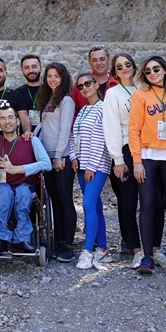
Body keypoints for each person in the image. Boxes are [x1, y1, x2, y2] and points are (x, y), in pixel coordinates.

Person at [129, 56, 166, 274]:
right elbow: (133, 130)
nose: (152, 73)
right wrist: (137, 161)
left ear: (164, 70)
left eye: (156, 69)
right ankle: (147, 257)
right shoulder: (140, 95)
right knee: (147, 205)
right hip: (148, 156)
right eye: (147, 71)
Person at [0, 105, 52, 256]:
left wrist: (17, 169)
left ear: (17, 121)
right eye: (2, 118)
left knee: (22, 192)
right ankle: (1, 237)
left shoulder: (30, 141)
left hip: (25, 186)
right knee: (4, 191)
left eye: (10, 118)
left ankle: (22, 238)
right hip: (0, 187)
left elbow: (46, 164)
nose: (7, 122)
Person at [34, 62, 76, 263]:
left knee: (65, 200)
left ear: (63, 78)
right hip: (47, 157)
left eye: (56, 76)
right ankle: (58, 241)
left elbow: (65, 129)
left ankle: (68, 245)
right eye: (49, 76)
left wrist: (59, 155)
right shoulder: (48, 99)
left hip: (61, 157)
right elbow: (41, 127)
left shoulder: (66, 101)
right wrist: (31, 139)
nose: (52, 79)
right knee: (55, 202)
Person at [103, 53, 141, 265]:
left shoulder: (145, 89)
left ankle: (153, 248)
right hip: (125, 151)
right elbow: (111, 128)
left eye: (127, 64)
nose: (125, 68)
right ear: (115, 72)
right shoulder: (113, 94)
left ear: (134, 67)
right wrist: (118, 159)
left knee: (151, 202)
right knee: (128, 202)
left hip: (148, 151)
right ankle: (136, 250)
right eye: (119, 66)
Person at [71, 73, 112, 270]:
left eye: (88, 83)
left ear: (96, 84)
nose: (85, 87)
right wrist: (73, 157)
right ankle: (102, 249)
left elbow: (101, 140)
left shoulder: (103, 108)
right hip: (81, 166)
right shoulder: (83, 110)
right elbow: (74, 136)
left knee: (87, 204)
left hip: (96, 167)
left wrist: (91, 166)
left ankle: (88, 251)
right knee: (95, 206)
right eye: (80, 86)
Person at [69, 45, 118, 113]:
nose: (98, 63)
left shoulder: (117, 84)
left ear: (109, 61)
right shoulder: (80, 85)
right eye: (94, 60)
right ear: (89, 63)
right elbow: (73, 112)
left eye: (102, 59)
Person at [10, 53, 41, 137]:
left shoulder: (50, 91)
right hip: (25, 140)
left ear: (40, 68)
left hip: (48, 140)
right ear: (22, 71)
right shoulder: (16, 94)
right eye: (26, 68)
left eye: (34, 66)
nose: (31, 70)